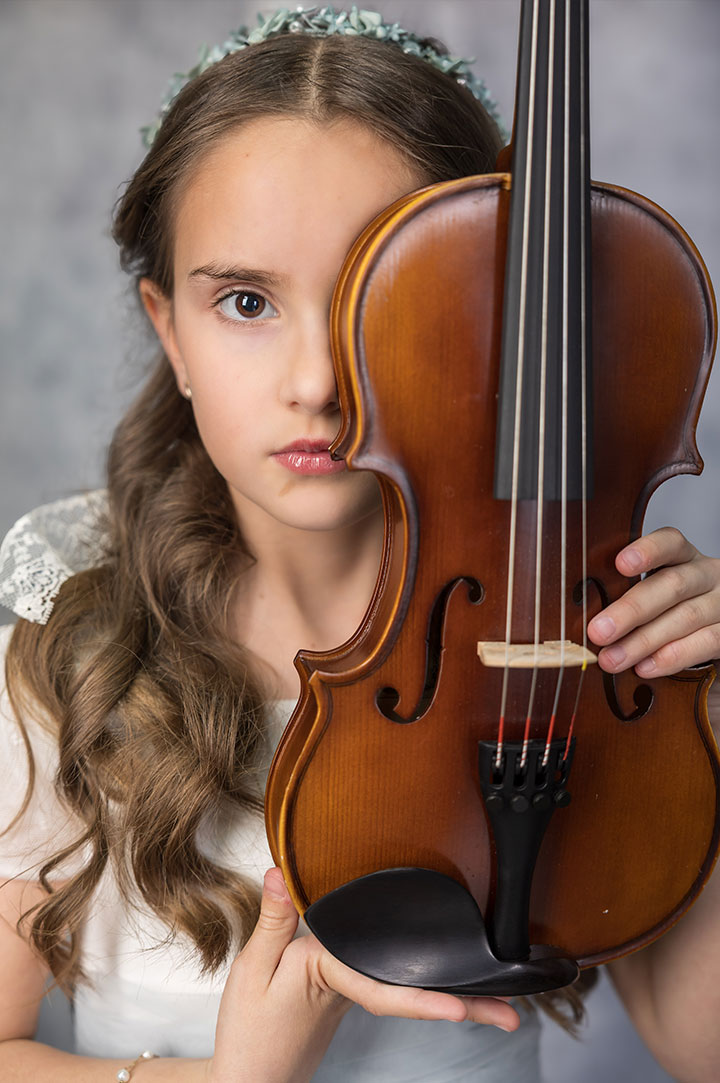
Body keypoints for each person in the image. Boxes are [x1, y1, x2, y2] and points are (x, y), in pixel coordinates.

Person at [1, 7, 719, 1082]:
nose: (317, 382)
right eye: (246, 301)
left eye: (377, 301)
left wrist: (704, 719)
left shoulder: (550, 626)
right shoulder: (77, 648)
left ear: (494, 309)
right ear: (170, 333)